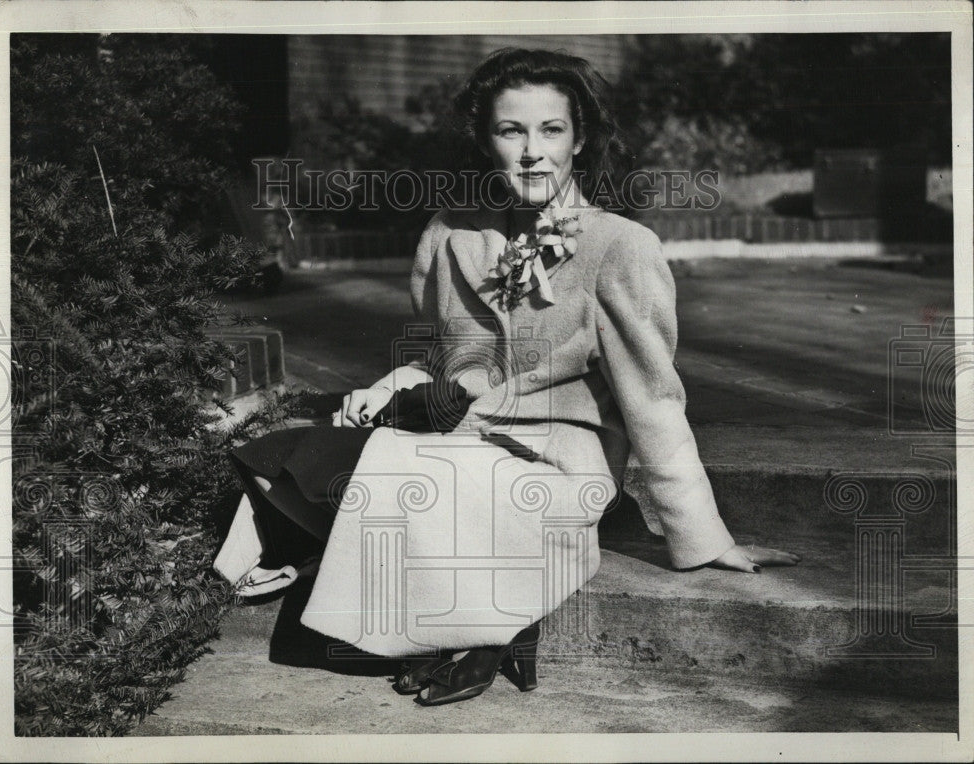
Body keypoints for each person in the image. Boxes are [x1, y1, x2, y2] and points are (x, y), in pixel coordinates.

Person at [213, 47, 800, 706]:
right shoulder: (449, 237)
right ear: (485, 140)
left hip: (554, 463)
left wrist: (700, 536)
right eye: (510, 130)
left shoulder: (621, 248)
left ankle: (480, 627)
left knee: (402, 484)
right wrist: (386, 390)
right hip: (458, 440)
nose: (531, 151)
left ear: (579, 140)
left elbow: (655, 402)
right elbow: (441, 358)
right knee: (281, 456)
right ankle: (435, 603)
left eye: (551, 129)